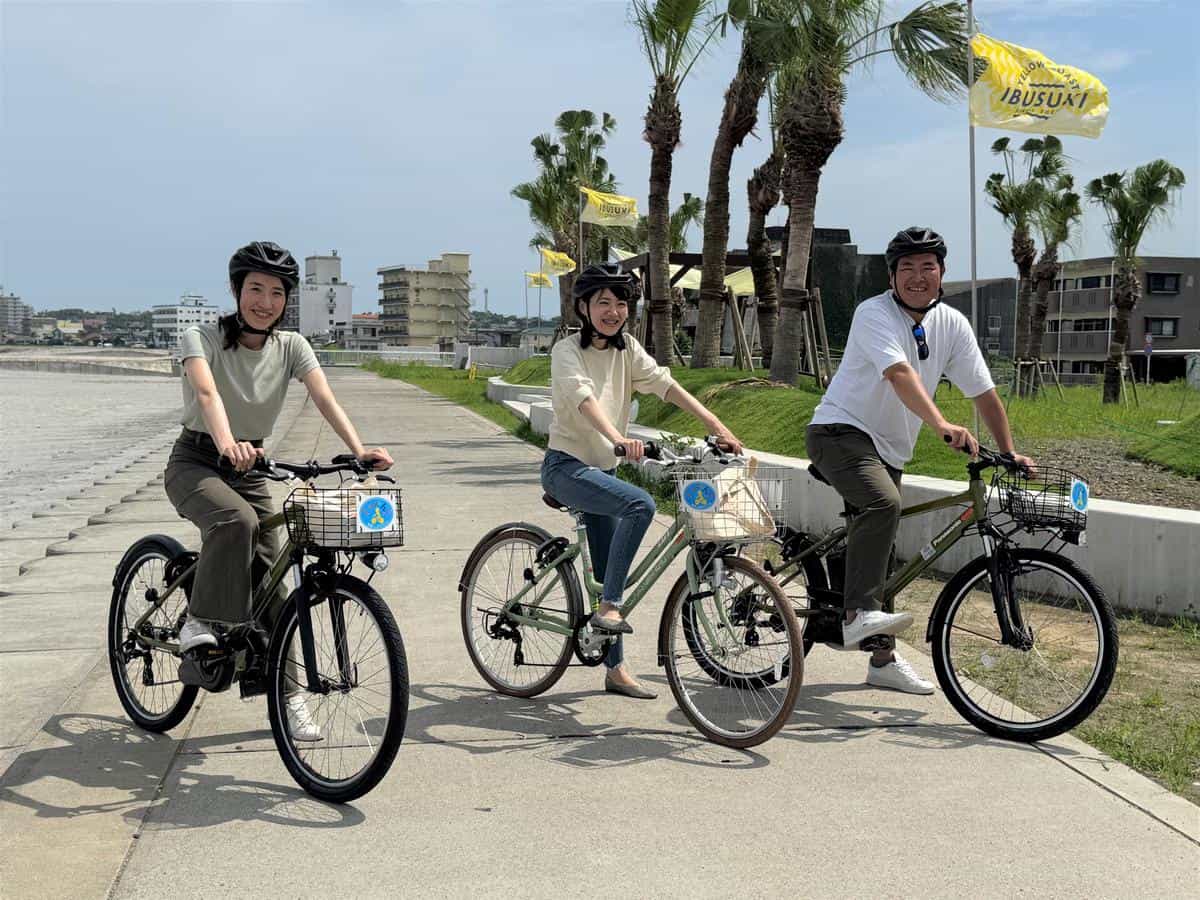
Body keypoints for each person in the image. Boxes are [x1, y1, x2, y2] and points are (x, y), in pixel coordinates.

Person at [165, 241, 394, 739]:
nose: (264, 302)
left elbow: (323, 396)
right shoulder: (200, 336)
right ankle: (198, 620)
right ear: (236, 291)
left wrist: (359, 451)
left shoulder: (292, 346)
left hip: (252, 466)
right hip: (197, 459)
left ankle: (289, 696)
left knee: (277, 580)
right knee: (236, 522)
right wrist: (228, 444)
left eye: (275, 292)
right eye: (255, 290)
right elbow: (206, 394)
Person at [806, 227, 1035, 694]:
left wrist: (1009, 451)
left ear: (942, 273)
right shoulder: (873, 313)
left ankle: (882, 662)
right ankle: (856, 615)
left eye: (927, 267)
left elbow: (984, 393)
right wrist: (941, 425)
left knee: (881, 552)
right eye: (906, 267)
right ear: (891, 276)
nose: (917, 276)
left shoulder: (951, 323)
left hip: (887, 447)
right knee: (882, 505)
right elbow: (899, 375)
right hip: (838, 431)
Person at [542, 264, 744, 699]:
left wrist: (717, 425)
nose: (612, 312)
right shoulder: (566, 351)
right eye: (603, 303)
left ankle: (614, 669)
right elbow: (584, 401)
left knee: (610, 565)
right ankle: (610, 607)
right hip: (566, 468)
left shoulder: (627, 349)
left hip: (603, 472)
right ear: (583, 307)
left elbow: (666, 386)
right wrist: (618, 438)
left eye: (620, 304)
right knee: (641, 505)